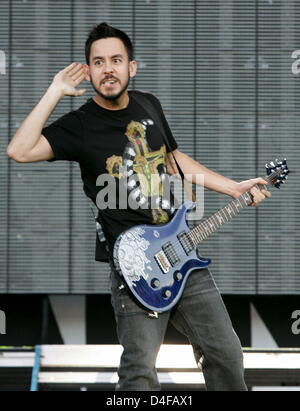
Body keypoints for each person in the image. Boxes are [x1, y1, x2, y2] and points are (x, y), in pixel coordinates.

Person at [7, 22, 271, 391]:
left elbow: (174, 159)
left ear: (132, 66)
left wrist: (233, 187)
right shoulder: (80, 125)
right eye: (98, 62)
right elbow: (18, 151)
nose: (108, 69)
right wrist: (55, 90)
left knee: (227, 353)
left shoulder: (149, 104)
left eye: (116, 60)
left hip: (182, 253)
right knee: (139, 373)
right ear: (89, 70)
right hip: (135, 268)